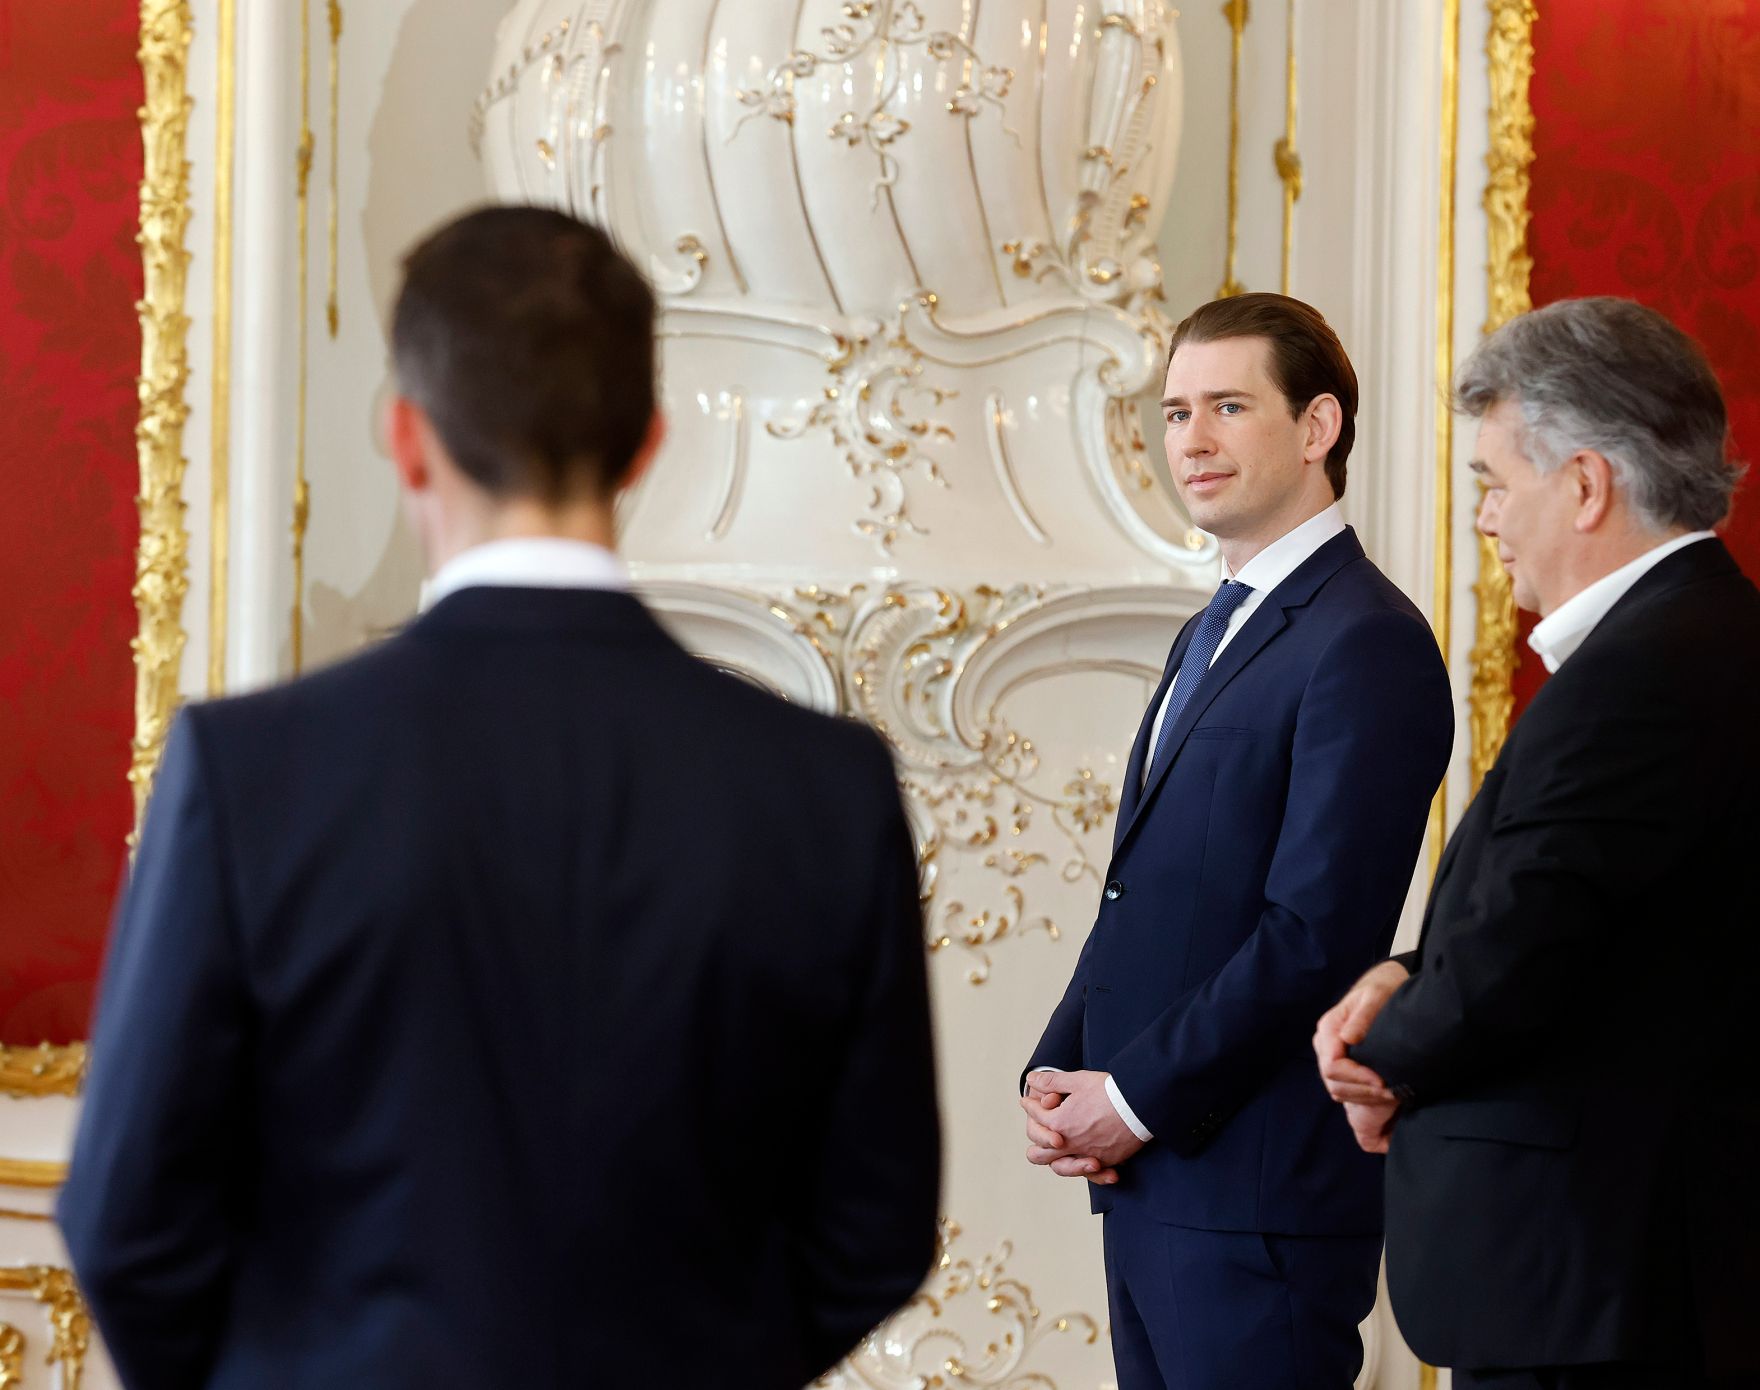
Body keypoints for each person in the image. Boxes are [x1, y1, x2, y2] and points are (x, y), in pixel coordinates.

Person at [58, 205, 940, 1390]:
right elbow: (872, 1225)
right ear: (643, 447)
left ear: (407, 438)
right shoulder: (824, 786)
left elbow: (127, 1215)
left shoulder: (251, 770)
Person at [1317, 296, 1760, 1390]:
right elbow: (1596, 921)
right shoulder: (1691, 640)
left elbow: (1522, 948)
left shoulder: (1646, 673)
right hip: (1620, 1276)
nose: (1481, 516)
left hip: (1593, 1290)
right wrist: (1404, 977)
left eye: (1491, 482)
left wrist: (1376, 1054)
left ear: (1583, 484)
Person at [1020, 292, 1453, 1389]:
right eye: (1173, 413)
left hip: (1254, 1204)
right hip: (1157, 1186)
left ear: (1316, 428)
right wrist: (1060, 1065)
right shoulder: (1211, 626)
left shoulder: (1366, 641)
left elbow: (1312, 934)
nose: (1190, 442)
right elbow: (1146, 893)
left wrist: (1127, 1100)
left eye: (1225, 406)